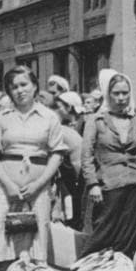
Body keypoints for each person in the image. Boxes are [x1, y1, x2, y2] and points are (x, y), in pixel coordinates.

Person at [0, 65, 66, 271]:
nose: (19, 90)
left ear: (35, 86)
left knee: (35, 242)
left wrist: (38, 184)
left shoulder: (49, 117)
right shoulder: (1, 118)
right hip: (5, 188)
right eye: (13, 87)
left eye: (23, 84)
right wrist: (8, 184)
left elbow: (57, 154)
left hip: (37, 189)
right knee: (3, 244)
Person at [81, 71, 136, 257]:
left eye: (125, 93)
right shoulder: (96, 121)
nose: (121, 98)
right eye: (116, 93)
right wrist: (93, 184)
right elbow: (86, 156)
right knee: (103, 235)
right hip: (110, 186)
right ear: (107, 94)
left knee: (134, 237)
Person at [55, 91, 85, 228]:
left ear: (69, 107)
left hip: (76, 173)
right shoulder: (66, 125)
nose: (57, 110)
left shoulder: (82, 123)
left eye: (60, 106)